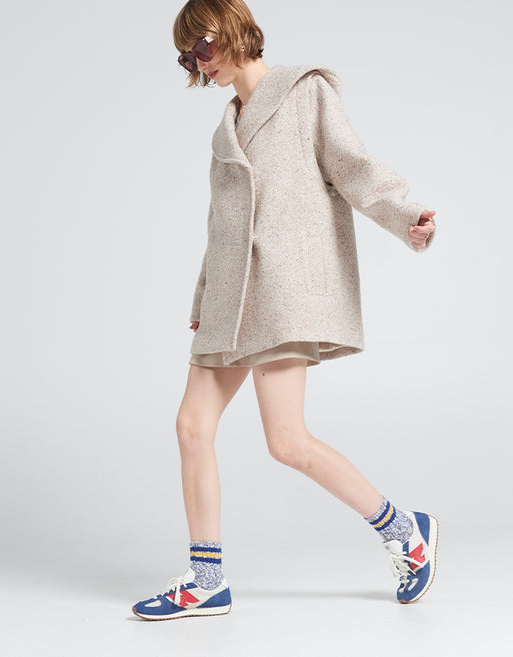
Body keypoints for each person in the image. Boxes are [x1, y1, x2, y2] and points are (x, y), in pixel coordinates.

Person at [132, 0, 438, 621]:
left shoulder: (305, 91)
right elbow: (221, 224)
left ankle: (405, 529)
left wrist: (405, 217)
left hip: (280, 290)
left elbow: (353, 168)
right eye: (186, 57)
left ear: (233, 28)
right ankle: (206, 579)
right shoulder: (226, 127)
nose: (198, 63)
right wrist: (203, 296)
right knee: (191, 426)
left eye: (201, 46)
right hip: (229, 297)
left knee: (287, 441)